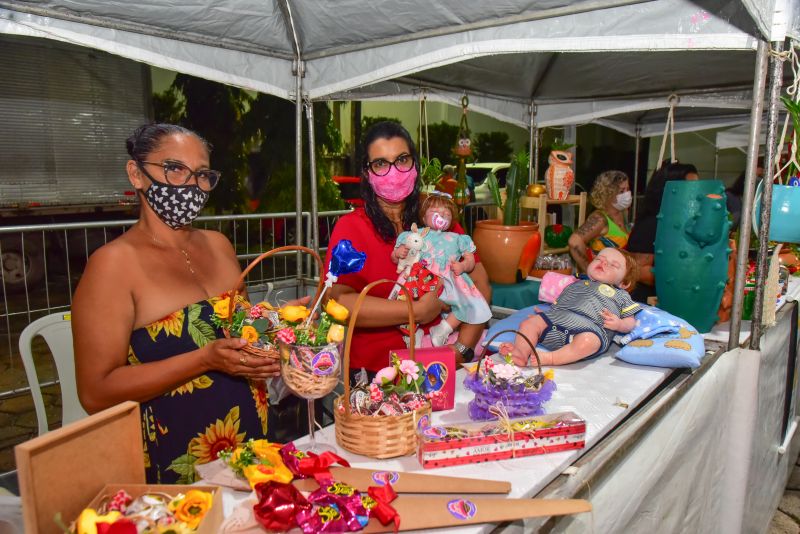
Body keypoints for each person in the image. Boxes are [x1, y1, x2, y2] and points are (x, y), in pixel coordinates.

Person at [72, 123, 303, 484]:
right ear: (136, 173)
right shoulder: (113, 264)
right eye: (175, 169)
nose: (191, 186)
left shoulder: (219, 245)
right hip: (177, 459)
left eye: (202, 175)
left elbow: (241, 334)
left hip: (251, 443)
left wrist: (279, 326)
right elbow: (95, 391)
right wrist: (203, 359)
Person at [326, 121, 492, 370]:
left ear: (415, 163)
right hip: (377, 374)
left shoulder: (438, 218)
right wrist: (414, 311)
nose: (393, 171)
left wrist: (459, 352)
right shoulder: (352, 228)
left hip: (443, 365)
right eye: (380, 163)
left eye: (402, 159)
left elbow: (480, 286)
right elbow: (339, 303)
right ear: (366, 173)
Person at [499, 247, 640, 366]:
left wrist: (619, 324)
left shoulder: (621, 295)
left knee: (588, 342)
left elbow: (630, 322)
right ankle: (520, 353)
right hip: (558, 322)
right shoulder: (575, 282)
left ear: (624, 283)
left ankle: (552, 358)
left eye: (613, 265)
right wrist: (544, 316)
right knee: (529, 324)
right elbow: (561, 305)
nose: (603, 263)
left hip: (590, 328)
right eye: (599, 259)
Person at [391, 193, 492, 346]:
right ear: (423, 217)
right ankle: (412, 333)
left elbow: (470, 259)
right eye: (436, 211)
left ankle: (444, 329)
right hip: (420, 276)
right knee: (403, 304)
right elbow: (395, 256)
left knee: (469, 301)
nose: (442, 214)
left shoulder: (458, 238)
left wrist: (463, 266)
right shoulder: (416, 235)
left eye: (447, 213)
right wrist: (399, 253)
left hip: (448, 278)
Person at [627, 162, 699, 303]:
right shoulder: (651, 224)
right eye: (690, 187)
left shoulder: (679, 222)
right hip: (646, 304)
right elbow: (637, 271)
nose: (695, 193)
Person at [568, 170, 632, 273]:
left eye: (628, 189)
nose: (627, 194)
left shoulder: (623, 213)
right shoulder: (600, 218)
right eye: (621, 191)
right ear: (608, 193)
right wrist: (589, 269)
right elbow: (574, 242)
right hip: (602, 281)